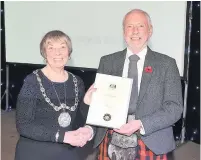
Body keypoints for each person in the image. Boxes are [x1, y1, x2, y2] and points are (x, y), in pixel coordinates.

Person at [89, 9, 183, 160]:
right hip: (110, 137)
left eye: (140, 26)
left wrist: (140, 124)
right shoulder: (107, 62)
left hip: (152, 141)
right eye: (129, 26)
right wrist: (88, 128)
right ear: (123, 31)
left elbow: (174, 108)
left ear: (150, 30)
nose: (134, 31)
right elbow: (99, 105)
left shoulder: (166, 64)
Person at [14, 30, 94, 160]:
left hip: (67, 153)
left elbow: (76, 123)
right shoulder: (32, 81)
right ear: (44, 53)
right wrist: (62, 136)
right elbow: (24, 125)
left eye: (63, 47)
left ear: (69, 53)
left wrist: (85, 102)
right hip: (35, 153)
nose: (58, 53)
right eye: (51, 48)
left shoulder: (77, 82)